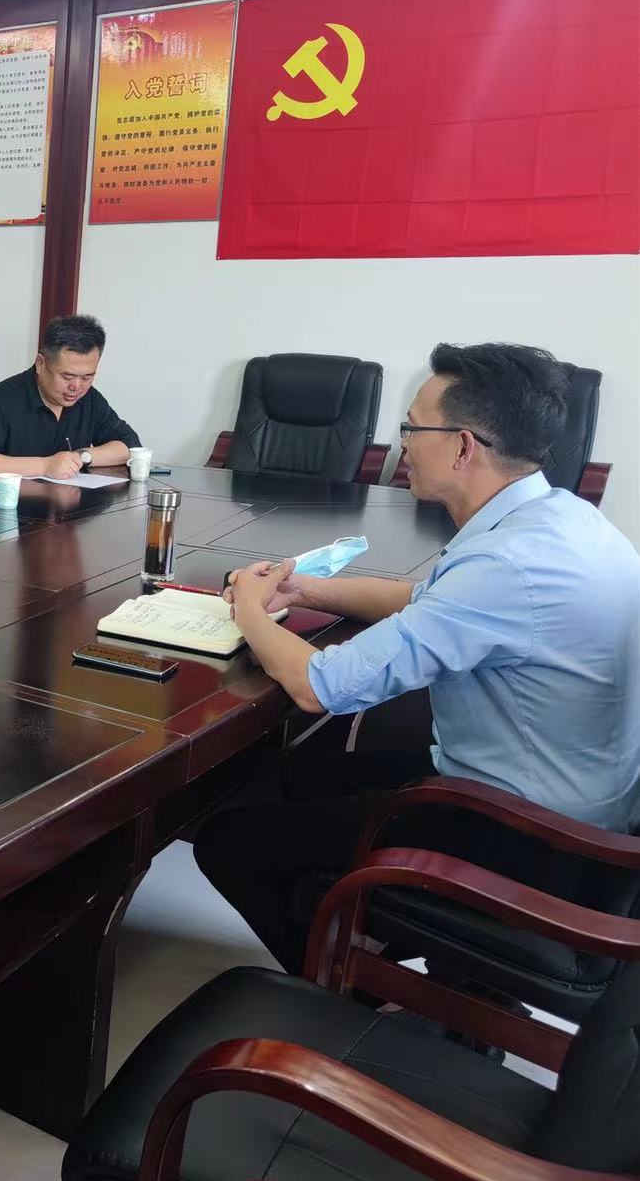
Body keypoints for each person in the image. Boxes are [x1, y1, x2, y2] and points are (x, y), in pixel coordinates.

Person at [196, 342, 640, 975]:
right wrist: (305, 590)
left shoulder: (506, 564)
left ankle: (349, 988)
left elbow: (319, 686)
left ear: (463, 446)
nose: (401, 444)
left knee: (228, 843)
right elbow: (427, 601)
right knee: (304, 772)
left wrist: (246, 606)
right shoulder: (561, 519)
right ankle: (346, 932)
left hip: (528, 834)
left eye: (412, 428)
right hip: (582, 805)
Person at [0, 314, 140, 480]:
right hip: (17, 498)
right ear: (40, 364)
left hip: (75, 497)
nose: (76, 386)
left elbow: (131, 445)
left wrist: (80, 456)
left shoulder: (89, 398)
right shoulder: (3, 399)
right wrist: (45, 466)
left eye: (87, 377)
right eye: (67, 376)